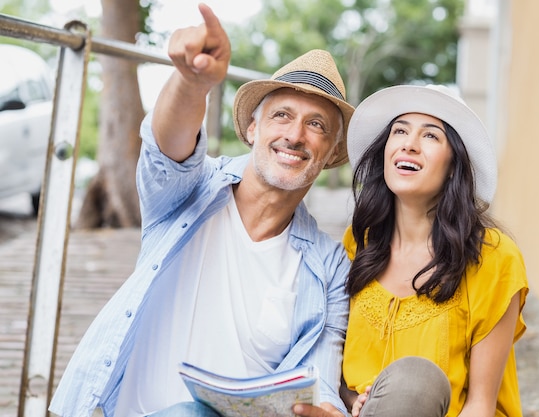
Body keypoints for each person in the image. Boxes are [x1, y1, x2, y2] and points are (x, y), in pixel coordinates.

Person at [49, 4, 355, 417]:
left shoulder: (330, 265)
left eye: (316, 125)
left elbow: (319, 374)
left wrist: (327, 410)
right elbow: (167, 148)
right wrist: (193, 84)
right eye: (281, 115)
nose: (295, 135)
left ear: (333, 150)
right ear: (252, 129)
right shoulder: (192, 189)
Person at [339, 84, 529, 417]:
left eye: (430, 136)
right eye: (400, 131)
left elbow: (481, 406)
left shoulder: (494, 258)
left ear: (454, 165)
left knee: (416, 381)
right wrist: (357, 402)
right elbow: (339, 376)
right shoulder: (359, 242)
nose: (409, 145)